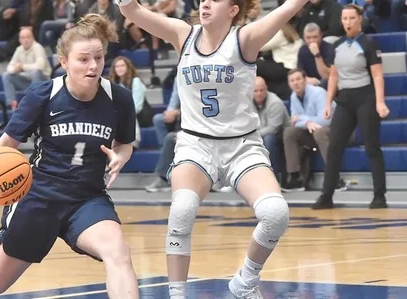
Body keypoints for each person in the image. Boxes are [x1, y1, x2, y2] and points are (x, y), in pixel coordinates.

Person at [117, 0, 309, 297]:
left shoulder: (244, 38)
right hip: (196, 144)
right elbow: (132, 12)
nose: (205, 3)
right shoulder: (183, 33)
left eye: (215, 0)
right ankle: (177, 294)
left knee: (275, 213)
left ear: (233, 10)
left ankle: (245, 281)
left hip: (241, 146)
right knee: (182, 209)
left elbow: (288, 8)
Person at [0, 14, 140, 298]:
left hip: (87, 198)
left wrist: (120, 157)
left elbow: (125, 144)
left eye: (99, 58)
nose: (93, 66)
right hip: (39, 194)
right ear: (64, 62)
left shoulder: (120, 98)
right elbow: (8, 143)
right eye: (83, 59)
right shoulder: (43, 94)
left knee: (118, 253)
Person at [312, 4, 389, 210]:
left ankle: (379, 195)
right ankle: (326, 196)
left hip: (365, 97)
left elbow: (377, 75)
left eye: (351, 18)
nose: (347, 22)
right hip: (344, 100)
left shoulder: (368, 43)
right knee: (334, 147)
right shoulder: (336, 45)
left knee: (372, 147)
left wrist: (380, 102)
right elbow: (334, 76)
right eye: (344, 19)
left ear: (359, 20)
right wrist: (328, 103)